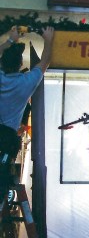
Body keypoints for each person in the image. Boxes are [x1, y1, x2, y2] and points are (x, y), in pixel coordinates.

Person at [0, 25, 55, 194]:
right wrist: (48, 39)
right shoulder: (25, 83)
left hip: (6, 136)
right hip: (7, 137)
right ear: (20, 64)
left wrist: (10, 39)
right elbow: (45, 62)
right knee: (2, 177)